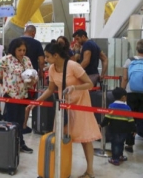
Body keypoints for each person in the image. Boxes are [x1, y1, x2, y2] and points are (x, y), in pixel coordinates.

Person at [26, 42, 101, 178]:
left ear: (56, 55)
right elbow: (50, 89)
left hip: (80, 104)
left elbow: (89, 83)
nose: (46, 60)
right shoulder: (52, 69)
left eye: (48, 57)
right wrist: (36, 102)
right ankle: (60, 168)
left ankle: (90, 171)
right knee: (61, 136)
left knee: (85, 138)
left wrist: (74, 88)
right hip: (64, 106)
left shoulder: (73, 66)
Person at [0, 38, 35, 154]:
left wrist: (33, 80)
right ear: (14, 49)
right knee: (12, 120)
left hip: (23, 95)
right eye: (19, 50)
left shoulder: (27, 60)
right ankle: (11, 143)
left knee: (21, 120)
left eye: (24, 50)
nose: (22, 53)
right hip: (11, 95)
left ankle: (20, 142)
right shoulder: (7, 60)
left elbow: (33, 74)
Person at [9, 25, 45, 134]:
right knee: (27, 102)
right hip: (29, 78)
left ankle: (13, 127)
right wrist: (41, 71)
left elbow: (7, 59)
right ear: (33, 33)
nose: (22, 52)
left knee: (13, 106)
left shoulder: (14, 42)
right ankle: (24, 125)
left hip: (12, 80)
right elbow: (41, 60)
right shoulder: (37, 43)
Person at [100, 87, 135, 166]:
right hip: (124, 131)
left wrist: (101, 125)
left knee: (115, 144)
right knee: (121, 143)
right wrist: (134, 129)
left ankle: (115, 159)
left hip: (113, 130)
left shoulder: (111, 106)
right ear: (123, 97)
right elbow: (131, 120)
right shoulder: (127, 108)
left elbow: (107, 118)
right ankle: (120, 156)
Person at [121, 39, 143, 153]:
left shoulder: (130, 60)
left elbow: (125, 78)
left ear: (137, 48)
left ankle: (129, 144)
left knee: (130, 118)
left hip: (131, 92)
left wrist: (122, 92)